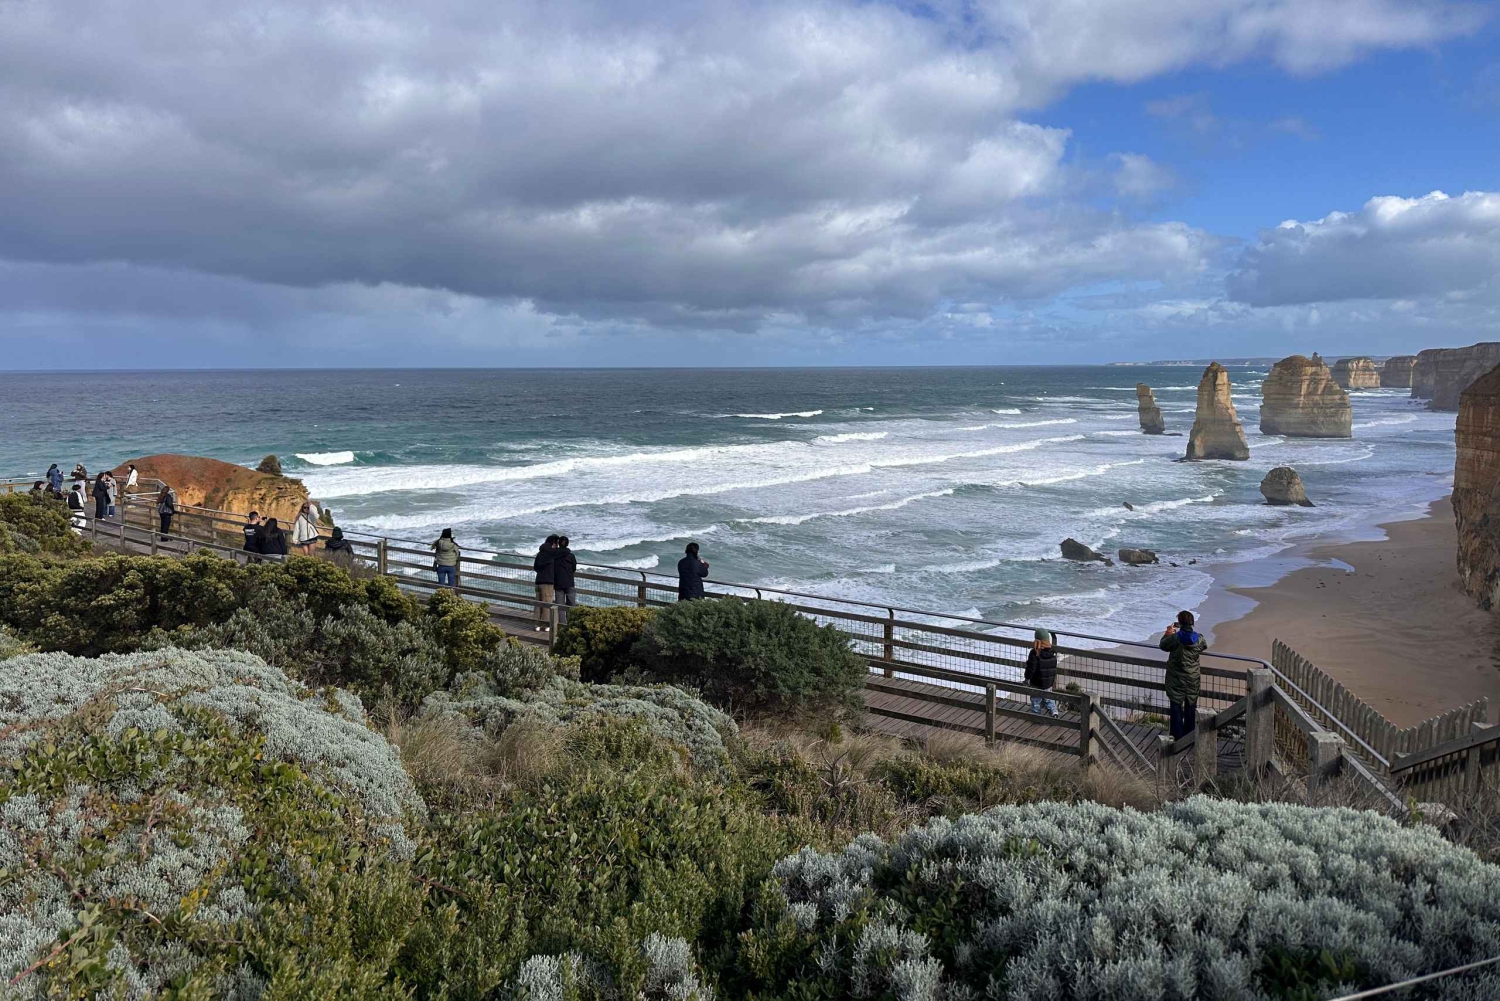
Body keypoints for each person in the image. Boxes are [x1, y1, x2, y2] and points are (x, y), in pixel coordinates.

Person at [1160, 610, 1207, 740]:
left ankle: (1176, 738)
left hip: (1176, 679)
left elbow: (1163, 645)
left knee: (1176, 708)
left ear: (1179, 623)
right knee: (1191, 707)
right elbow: (1204, 644)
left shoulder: (1175, 638)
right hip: (1192, 679)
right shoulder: (1199, 639)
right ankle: (1190, 738)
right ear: (1192, 623)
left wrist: (1167, 634)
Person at [1024, 628, 1061, 717]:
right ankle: (1054, 712)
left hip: (1036, 683)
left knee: (1036, 700)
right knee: (1049, 698)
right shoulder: (1052, 654)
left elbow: (1031, 668)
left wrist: (1027, 677)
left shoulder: (1035, 653)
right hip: (1048, 683)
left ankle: (1036, 716)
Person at [533, 535, 558, 630]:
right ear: (553, 543)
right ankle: (546, 625)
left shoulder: (540, 553)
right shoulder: (552, 554)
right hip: (547, 583)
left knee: (538, 604)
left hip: (538, 581)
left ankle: (536, 625)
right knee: (547, 604)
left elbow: (535, 567)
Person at [552, 535, 578, 624]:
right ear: (567, 544)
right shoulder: (571, 556)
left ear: (559, 544)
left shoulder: (554, 555)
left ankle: (562, 624)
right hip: (569, 582)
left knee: (560, 606)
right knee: (571, 605)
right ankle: (571, 623)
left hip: (558, 583)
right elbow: (574, 568)